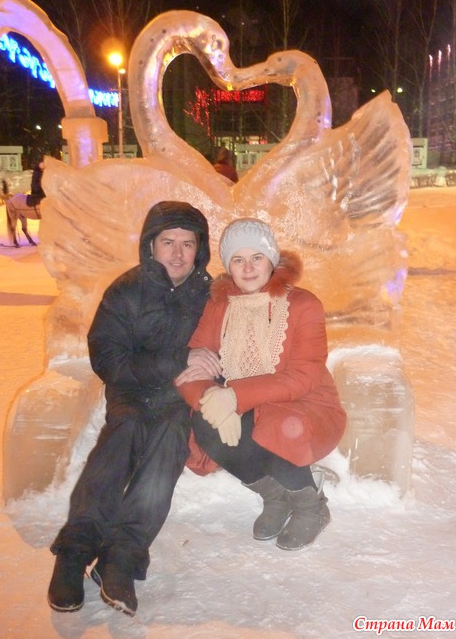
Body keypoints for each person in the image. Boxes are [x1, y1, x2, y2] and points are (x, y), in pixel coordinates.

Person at [47, 201, 221, 616]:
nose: (177, 254)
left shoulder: (212, 295)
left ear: (199, 249)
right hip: (131, 393)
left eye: (187, 244)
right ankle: (74, 552)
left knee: (168, 446)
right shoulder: (127, 290)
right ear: (150, 245)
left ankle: (121, 558)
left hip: (179, 399)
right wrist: (178, 360)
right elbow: (109, 360)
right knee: (119, 439)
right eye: (168, 242)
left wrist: (212, 372)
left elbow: (227, 351)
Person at [175, 217, 347, 550]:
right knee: (207, 423)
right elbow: (191, 368)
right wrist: (210, 398)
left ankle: (310, 506)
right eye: (238, 260)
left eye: (257, 257)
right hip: (248, 402)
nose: (248, 268)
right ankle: (275, 497)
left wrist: (233, 398)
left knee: (276, 428)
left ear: (271, 259)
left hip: (306, 403)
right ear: (229, 266)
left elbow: (304, 376)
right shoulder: (219, 306)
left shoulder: (304, 305)